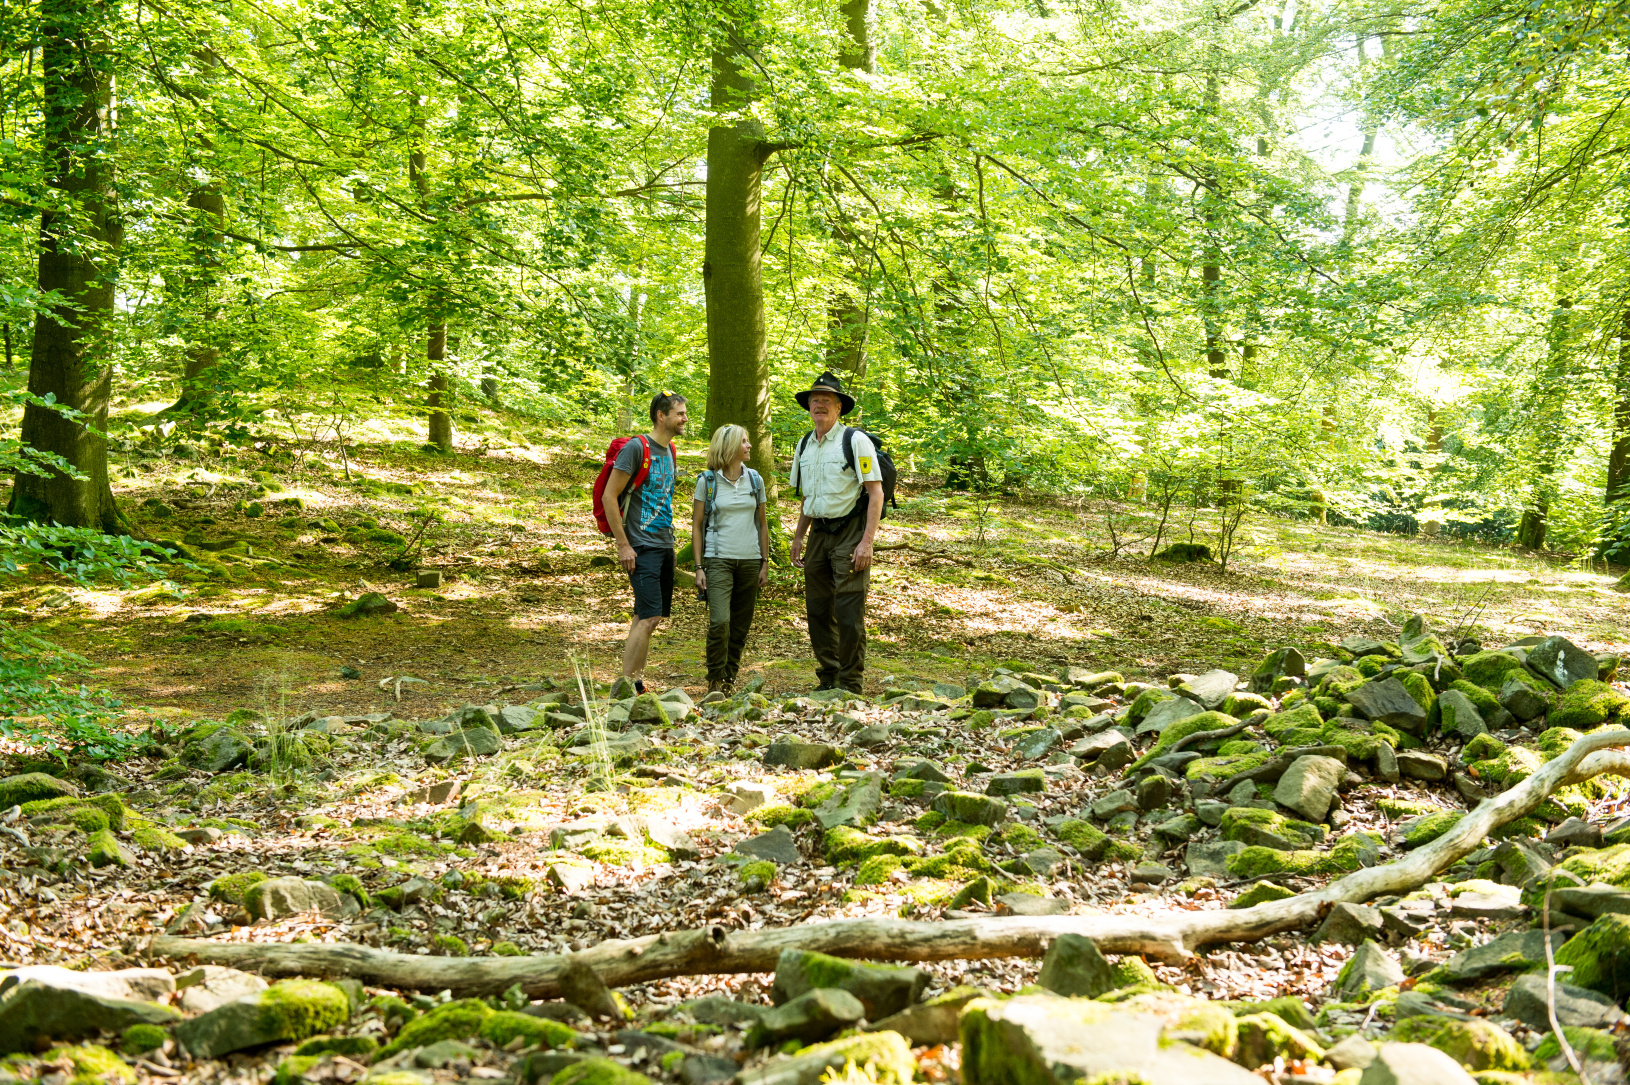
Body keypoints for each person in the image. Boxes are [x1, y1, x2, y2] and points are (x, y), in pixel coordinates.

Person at [789, 372, 882, 694]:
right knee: (817, 609)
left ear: (839, 407)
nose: (819, 405)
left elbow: (875, 492)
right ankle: (828, 678)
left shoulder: (855, 441)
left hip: (849, 533)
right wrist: (799, 536)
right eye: (815, 400)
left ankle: (851, 684)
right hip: (818, 535)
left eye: (826, 400)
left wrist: (867, 542)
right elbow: (806, 496)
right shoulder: (804, 444)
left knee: (848, 611)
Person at [602, 392, 687, 693]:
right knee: (649, 617)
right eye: (679, 413)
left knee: (647, 616)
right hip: (641, 546)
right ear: (661, 416)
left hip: (663, 544)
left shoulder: (670, 451)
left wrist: (671, 546)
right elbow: (609, 496)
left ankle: (635, 682)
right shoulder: (637, 449)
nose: (684, 419)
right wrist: (623, 545)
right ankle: (625, 687)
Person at [691, 425, 770, 694]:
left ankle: (729, 678)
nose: (749, 446)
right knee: (720, 621)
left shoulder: (755, 480)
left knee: (740, 625)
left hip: (749, 561)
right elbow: (697, 525)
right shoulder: (707, 481)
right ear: (729, 447)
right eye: (744, 442)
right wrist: (699, 566)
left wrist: (765, 562)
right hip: (718, 560)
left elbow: (762, 524)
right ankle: (714, 678)